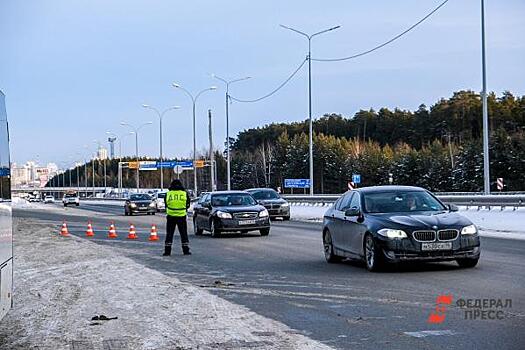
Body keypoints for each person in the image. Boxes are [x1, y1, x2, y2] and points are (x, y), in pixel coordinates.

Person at [163, 179, 191, 256]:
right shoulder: (184, 194)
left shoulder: (168, 194)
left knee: (169, 234)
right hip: (181, 216)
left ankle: (167, 251)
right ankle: (186, 250)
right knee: (183, 233)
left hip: (171, 216)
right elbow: (188, 204)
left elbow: (166, 204)